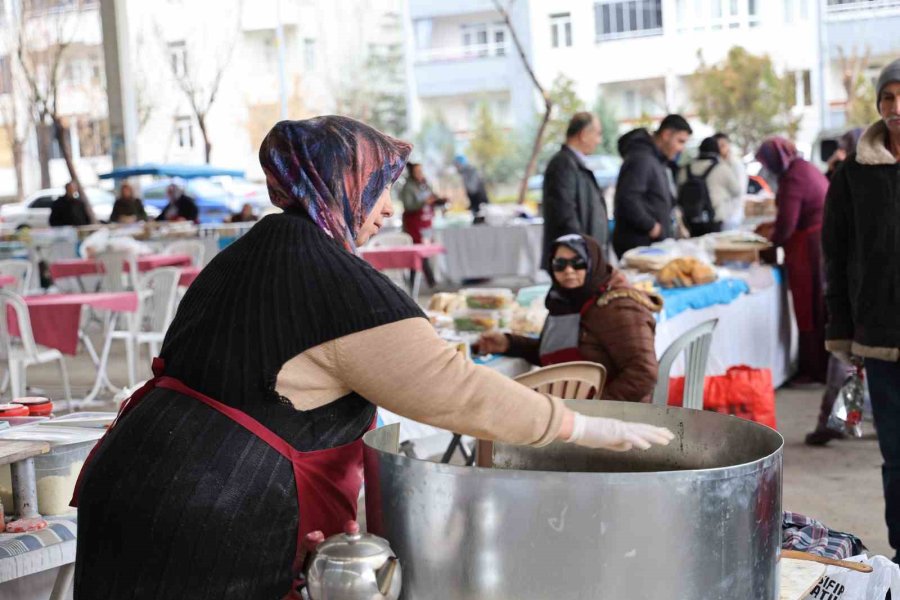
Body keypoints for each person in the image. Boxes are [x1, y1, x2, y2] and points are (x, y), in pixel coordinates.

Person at [72, 116, 674, 599]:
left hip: (137, 479)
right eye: (380, 187)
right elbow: (455, 389)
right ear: (339, 183)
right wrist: (580, 425)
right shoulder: (333, 280)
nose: (388, 207)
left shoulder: (248, 253)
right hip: (217, 511)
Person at [823, 58, 900, 564]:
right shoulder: (853, 175)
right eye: (888, 98)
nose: (896, 108)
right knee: (896, 456)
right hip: (880, 334)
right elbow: (836, 252)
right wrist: (842, 331)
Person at [479, 233, 661, 402]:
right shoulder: (565, 301)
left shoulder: (618, 307)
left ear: (593, 264)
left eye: (578, 262)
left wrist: (595, 410)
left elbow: (644, 373)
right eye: (559, 264)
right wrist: (509, 344)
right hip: (571, 406)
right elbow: (559, 354)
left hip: (614, 416)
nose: (568, 270)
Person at [755, 137, 829, 384]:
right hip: (817, 242)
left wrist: (766, 247)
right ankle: (819, 365)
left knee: (808, 307)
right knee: (818, 305)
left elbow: (787, 224)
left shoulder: (793, 178)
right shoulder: (804, 168)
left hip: (808, 247)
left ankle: (813, 368)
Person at [612, 114, 692, 258]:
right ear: (666, 134)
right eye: (680, 141)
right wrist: (650, 226)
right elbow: (628, 197)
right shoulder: (641, 158)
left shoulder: (656, 159)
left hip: (652, 244)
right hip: (640, 245)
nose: (681, 149)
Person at [541, 112, 608, 270]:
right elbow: (565, 213)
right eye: (597, 134)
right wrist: (581, 250)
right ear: (584, 135)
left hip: (584, 257)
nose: (599, 141)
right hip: (573, 262)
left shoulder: (574, 163)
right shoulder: (563, 164)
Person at [677, 137, 742, 236]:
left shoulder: (685, 169)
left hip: (689, 219)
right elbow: (737, 191)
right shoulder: (722, 168)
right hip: (714, 218)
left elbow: (678, 192)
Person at [399, 162, 443, 286]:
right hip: (414, 226)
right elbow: (408, 206)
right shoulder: (408, 188)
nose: (420, 174)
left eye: (421, 171)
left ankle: (416, 283)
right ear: (412, 173)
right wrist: (424, 202)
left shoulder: (424, 185)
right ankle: (430, 282)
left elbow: (432, 199)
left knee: (423, 252)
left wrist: (440, 200)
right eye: (417, 171)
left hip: (425, 224)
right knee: (418, 252)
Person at [713, 132, 749, 229]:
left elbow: (739, 191)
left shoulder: (736, 165)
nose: (720, 149)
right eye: (717, 146)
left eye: (723, 145)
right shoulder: (716, 164)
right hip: (719, 214)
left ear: (728, 145)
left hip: (733, 215)